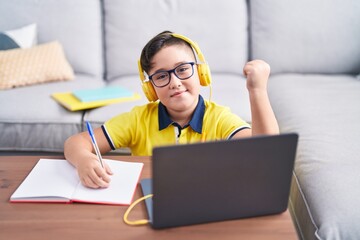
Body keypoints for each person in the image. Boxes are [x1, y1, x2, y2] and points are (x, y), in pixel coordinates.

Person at [64, 31, 279, 189]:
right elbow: (75, 143)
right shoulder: (138, 120)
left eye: (183, 69)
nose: (174, 82)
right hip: (150, 200)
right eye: (161, 76)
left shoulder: (219, 118)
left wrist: (257, 90)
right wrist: (83, 159)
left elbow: (267, 152)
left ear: (201, 73)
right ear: (151, 89)